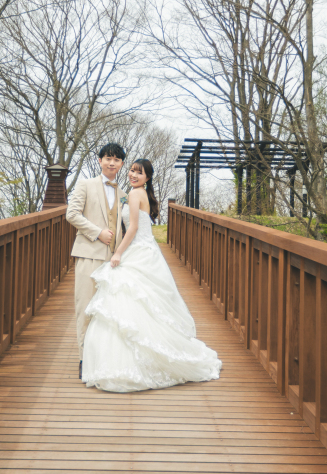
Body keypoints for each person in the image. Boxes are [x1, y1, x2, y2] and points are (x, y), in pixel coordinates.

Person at [81, 159, 222, 392]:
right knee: (143, 301)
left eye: (140, 173)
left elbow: (133, 227)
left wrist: (117, 253)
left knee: (129, 297)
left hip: (138, 250)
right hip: (147, 250)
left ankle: (129, 361)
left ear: (147, 177)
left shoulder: (136, 194)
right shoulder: (138, 193)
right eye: (132, 171)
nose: (134, 175)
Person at [66, 143, 129, 380]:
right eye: (108, 158)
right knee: (85, 308)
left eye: (117, 160)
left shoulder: (123, 193)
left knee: (109, 311)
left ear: (122, 164)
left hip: (113, 261)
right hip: (89, 254)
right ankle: (84, 360)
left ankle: (104, 357)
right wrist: (97, 232)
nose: (112, 163)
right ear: (100, 160)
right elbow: (71, 214)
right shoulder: (86, 184)